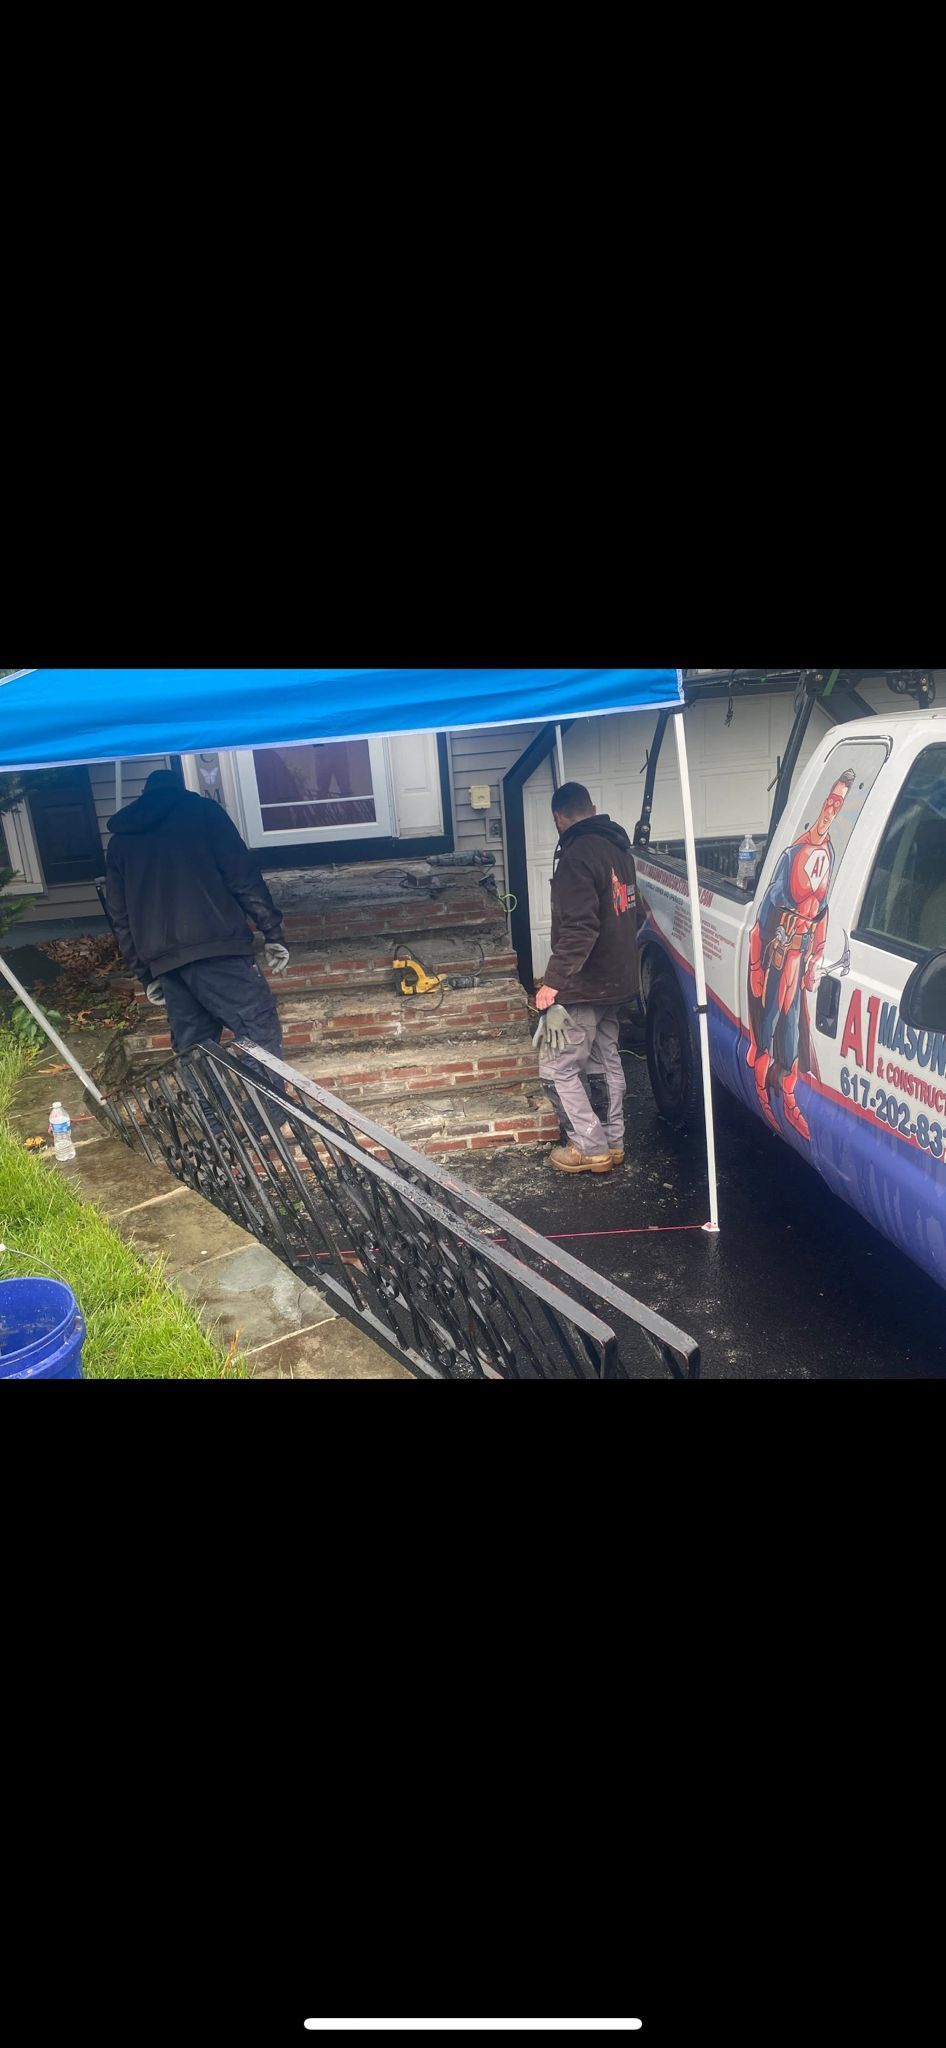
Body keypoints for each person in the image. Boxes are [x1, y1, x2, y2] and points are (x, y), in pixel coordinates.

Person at [105, 769, 289, 1057]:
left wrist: (145, 974)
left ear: (144, 794)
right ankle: (266, 1091)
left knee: (195, 1052)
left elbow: (120, 917)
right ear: (182, 788)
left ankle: (205, 1093)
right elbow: (242, 876)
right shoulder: (204, 814)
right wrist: (272, 932)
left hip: (168, 963)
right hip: (219, 948)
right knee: (259, 1034)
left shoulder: (120, 842)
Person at [534, 782, 640, 1174]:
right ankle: (613, 1143)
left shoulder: (577, 856)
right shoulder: (619, 850)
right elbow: (632, 912)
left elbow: (581, 928)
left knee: (557, 1069)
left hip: (587, 984)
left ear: (558, 818)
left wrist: (552, 983)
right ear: (592, 809)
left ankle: (587, 1147)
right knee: (604, 1060)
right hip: (618, 979)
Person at [746, 768, 855, 1141]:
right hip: (780, 952)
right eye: (831, 801)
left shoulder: (830, 853)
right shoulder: (794, 853)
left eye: (839, 803)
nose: (832, 809)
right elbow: (764, 914)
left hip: (802, 954)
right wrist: (756, 965)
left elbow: (822, 912)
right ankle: (762, 1094)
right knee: (770, 1022)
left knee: (792, 1027)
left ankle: (789, 1100)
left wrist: (817, 955)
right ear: (823, 803)